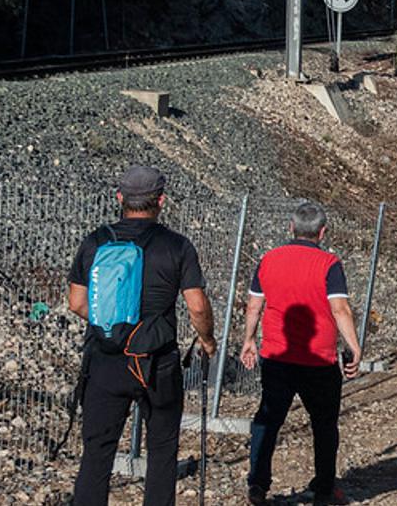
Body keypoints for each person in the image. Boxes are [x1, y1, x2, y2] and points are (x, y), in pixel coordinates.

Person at [69, 165, 217, 506]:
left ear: (120, 198)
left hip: (105, 359)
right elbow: (196, 306)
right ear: (161, 201)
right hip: (156, 362)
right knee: (163, 452)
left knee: (97, 455)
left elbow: (76, 302)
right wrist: (207, 341)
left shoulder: (95, 241)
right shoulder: (177, 246)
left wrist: (112, 321)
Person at [239, 202, 362, 506]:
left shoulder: (268, 259)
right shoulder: (329, 264)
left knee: (268, 419)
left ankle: (257, 483)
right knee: (324, 424)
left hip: (277, 355)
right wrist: (354, 346)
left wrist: (249, 339)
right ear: (323, 231)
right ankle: (323, 488)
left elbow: (254, 304)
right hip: (319, 359)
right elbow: (340, 308)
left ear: (290, 228)